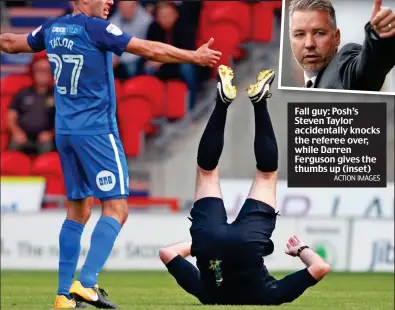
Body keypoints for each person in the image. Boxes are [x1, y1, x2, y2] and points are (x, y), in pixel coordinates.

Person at [0, 0, 221, 308]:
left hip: (65, 132)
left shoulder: (52, 28)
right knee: (117, 209)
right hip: (96, 132)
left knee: (77, 211)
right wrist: (193, 56)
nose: (109, 2)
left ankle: (63, 295)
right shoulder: (96, 28)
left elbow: (10, 43)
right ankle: (87, 282)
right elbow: (149, 50)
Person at [159, 65, 330, 305]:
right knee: (207, 172)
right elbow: (167, 254)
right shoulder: (207, 296)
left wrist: (301, 249)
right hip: (209, 243)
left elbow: (321, 267)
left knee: (266, 174)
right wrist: (202, 247)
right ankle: (222, 102)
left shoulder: (268, 296)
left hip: (247, 243)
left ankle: (259, 103)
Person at [288, 0, 395, 90]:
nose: (309, 44)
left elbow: (367, 68)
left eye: (319, 33)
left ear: (336, 37)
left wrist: (378, 36)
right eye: (299, 34)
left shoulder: (344, 68)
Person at [7, 53, 56, 155]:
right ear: (33, 72)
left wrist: (51, 134)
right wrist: (16, 132)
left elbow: (63, 120)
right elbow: (11, 115)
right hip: (22, 136)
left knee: (47, 150)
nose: (42, 74)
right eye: (39, 70)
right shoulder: (23, 93)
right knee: (12, 150)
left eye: (46, 70)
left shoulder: (57, 96)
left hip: (45, 138)